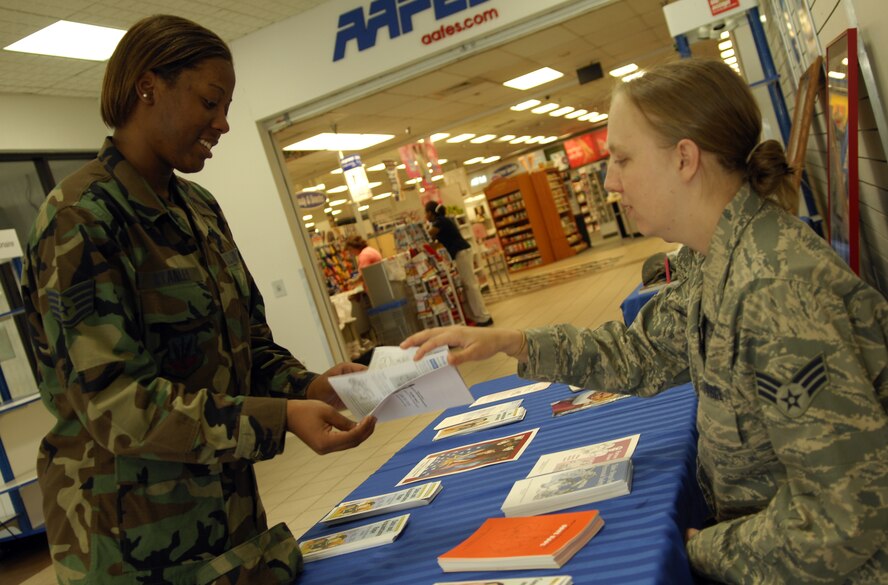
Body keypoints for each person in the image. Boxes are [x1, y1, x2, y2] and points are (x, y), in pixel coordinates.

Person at [404, 59, 888, 583]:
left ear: (684, 158)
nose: (610, 181)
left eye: (623, 159)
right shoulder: (718, 257)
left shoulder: (775, 291)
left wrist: (702, 550)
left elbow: (845, 517)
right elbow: (643, 352)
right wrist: (513, 341)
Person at [20, 15, 375, 585]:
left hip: (228, 523)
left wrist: (310, 386)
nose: (223, 123)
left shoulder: (200, 208)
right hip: (131, 545)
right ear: (147, 86)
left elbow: (247, 346)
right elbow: (116, 405)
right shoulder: (79, 218)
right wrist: (279, 418)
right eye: (211, 102)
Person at [424, 201, 493, 326]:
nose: (425, 215)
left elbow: (429, 235)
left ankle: (484, 317)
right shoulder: (442, 221)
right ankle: (477, 317)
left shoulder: (440, 221)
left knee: (470, 285)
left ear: (430, 212)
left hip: (461, 252)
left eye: (426, 212)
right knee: (467, 286)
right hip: (460, 253)